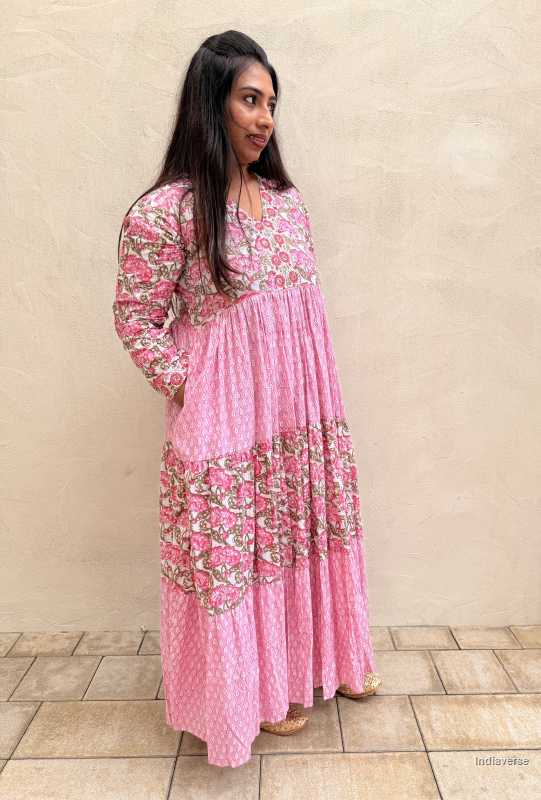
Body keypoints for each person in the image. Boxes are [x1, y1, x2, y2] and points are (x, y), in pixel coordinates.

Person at [112, 29, 381, 768]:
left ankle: (316, 665)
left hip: (296, 408)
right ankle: (247, 694)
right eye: (249, 100)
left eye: (271, 103)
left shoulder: (285, 202)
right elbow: (135, 319)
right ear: (212, 103)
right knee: (236, 551)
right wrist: (192, 387)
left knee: (297, 529)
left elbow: (295, 315)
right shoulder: (165, 211)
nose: (264, 119)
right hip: (225, 417)